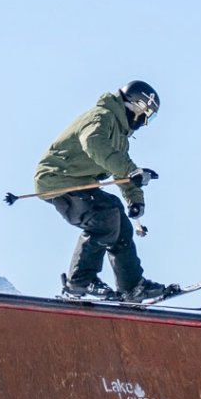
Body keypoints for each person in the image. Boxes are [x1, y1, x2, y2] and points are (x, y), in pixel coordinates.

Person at [34, 81, 180, 304]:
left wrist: (134, 199)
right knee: (104, 215)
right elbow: (95, 145)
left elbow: (121, 168)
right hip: (58, 179)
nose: (145, 123)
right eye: (147, 116)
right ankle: (79, 281)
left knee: (119, 222)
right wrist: (131, 172)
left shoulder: (120, 136)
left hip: (79, 181)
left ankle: (132, 286)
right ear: (136, 106)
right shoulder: (101, 116)